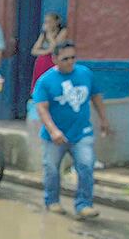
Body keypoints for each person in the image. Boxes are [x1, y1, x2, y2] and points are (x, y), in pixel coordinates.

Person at [33, 41, 111, 219]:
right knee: (52, 169)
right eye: (65, 58)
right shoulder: (45, 81)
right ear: (55, 59)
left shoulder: (85, 74)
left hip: (81, 133)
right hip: (54, 137)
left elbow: (96, 96)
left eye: (73, 57)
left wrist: (104, 119)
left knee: (86, 166)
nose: (70, 62)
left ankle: (84, 204)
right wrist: (53, 131)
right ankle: (52, 201)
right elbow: (42, 109)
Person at [30, 12, 67, 92]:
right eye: (46, 22)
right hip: (42, 62)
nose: (47, 24)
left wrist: (50, 36)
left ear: (56, 22)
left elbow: (56, 48)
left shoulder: (62, 32)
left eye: (49, 21)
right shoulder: (43, 34)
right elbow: (34, 50)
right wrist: (47, 51)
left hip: (55, 61)